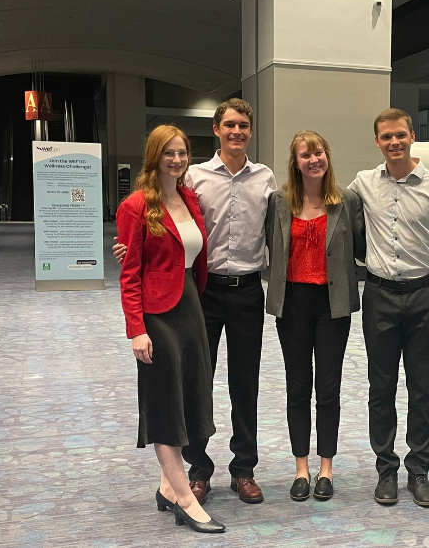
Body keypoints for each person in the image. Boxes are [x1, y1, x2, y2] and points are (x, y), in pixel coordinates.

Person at [115, 98, 276, 505]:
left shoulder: (266, 178)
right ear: (217, 130)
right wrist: (130, 250)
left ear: (250, 131)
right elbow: (165, 225)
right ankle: (198, 471)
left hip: (248, 292)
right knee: (194, 384)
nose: (236, 132)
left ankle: (244, 470)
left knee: (245, 384)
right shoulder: (194, 179)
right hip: (200, 294)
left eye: (243, 125)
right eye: (229, 125)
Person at [348, 108, 429, 507]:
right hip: (378, 296)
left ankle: (419, 470)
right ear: (377, 141)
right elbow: (329, 207)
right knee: (380, 389)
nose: (394, 142)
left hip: (423, 299)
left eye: (400, 135)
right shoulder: (363, 183)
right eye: (386, 137)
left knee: (421, 389)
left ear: (412, 135)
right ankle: (386, 470)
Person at [116, 125, 224, 533]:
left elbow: (195, 255)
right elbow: (129, 275)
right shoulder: (136, 206)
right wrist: (136, 330)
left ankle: (166, 486)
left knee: (191, 395)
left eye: (182, 153)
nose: (176, 160)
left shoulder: (189, 197)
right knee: (165, 402)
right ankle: (185, 500)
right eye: (169, 153)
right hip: (157, 315)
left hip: (190, 306)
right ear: (154, 156)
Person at [264, 131, 365, 501]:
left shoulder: (346, 201)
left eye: (319, 152)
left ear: (327, 157)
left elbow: (365, 245)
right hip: (292, 304)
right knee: (297, 387)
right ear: (295, 162)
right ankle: (301, 468)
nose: (313, 160)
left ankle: (326, 468)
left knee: (328, 388)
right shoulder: (278, 202)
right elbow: (265, 245)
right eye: (306, 155)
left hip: (331, 305)